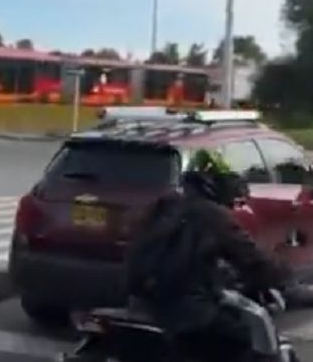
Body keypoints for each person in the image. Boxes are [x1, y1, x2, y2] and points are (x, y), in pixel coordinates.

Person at [123, 149, 290, 362]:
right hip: (189, 313)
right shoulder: (211, 215)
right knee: (250, 341)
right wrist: (282, 274)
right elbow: (250, 257)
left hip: (143, 306)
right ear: (215, 184)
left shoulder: (161, 207)